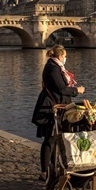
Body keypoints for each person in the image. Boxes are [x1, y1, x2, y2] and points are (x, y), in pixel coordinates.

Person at [31, 44, 85, 182]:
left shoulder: (54, 66)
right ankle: (45, 172)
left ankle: (53, 169)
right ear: (60, 56)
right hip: (50, 108)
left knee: (55, 139)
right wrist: (76, 91)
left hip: (56, 106)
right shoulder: (52, 68)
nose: (66, 59)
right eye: (65, 56)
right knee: (50, 139)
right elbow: (61, 89)